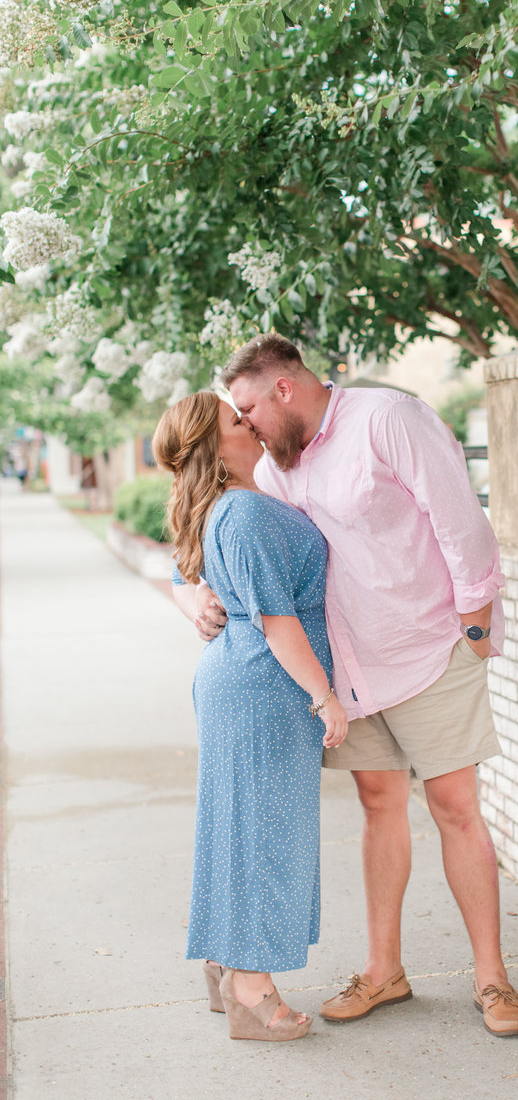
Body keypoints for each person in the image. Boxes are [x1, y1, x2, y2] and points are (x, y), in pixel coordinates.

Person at [194, 334, 518, 1039]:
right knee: (380, 805)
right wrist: (193, 597)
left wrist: (474, 623)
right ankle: (385, 972)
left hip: (426, 653)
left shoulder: (388, 419)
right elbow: (224, 538)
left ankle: (492, 978)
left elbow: (460, 520)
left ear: (284, 387)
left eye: (249, 405)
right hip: (349, 674)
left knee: (455, 806)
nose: (246, 421)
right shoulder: (276, 467)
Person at [153, 390, 348, 1043]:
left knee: (239, 831)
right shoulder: (242, 512)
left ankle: (225, 967)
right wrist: (325, 699)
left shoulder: (232, 507)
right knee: (264, 840)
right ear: (218, 446)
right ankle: (251, 990)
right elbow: (276, 620)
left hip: (247, 687)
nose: (253, 424)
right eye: (239, 421)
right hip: (265, 690)